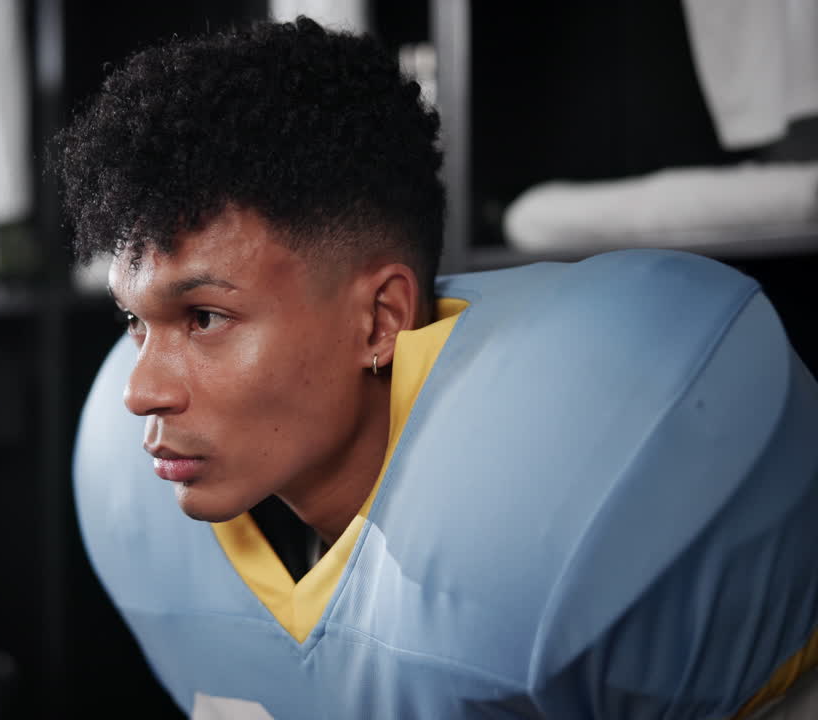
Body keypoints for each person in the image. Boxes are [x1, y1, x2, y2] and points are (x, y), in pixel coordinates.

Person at [55, 16, 818, 719]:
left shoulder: (594, 505)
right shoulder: (129, 493)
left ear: (380, 320)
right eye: (134, 321)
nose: (140, 391)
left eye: (204, 319)